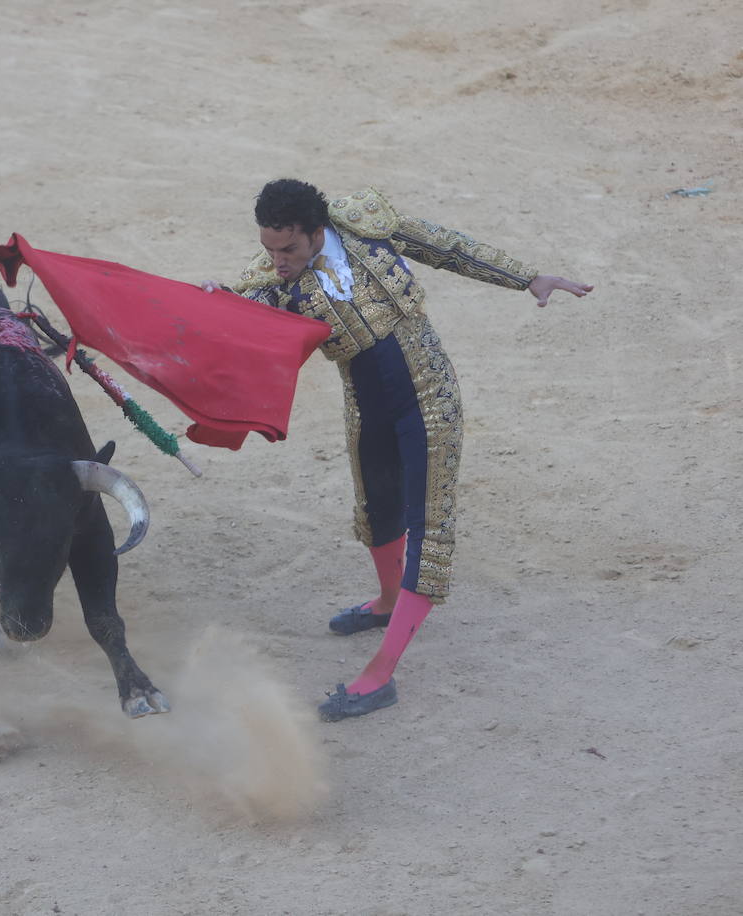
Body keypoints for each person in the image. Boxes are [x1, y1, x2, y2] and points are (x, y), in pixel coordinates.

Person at [205, 179, 593, 721]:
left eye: (287, 249)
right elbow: (237, 322)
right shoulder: (270, 279)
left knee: (428, 533)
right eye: (269, 248)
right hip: (366, 407)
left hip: (430, 399)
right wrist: (210, 307)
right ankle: (387, 602)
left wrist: (527, 277)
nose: (277, 260)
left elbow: (443, 246)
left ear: (318, 231)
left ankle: (379, 676)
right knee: (377, 507)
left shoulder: (365, 223)